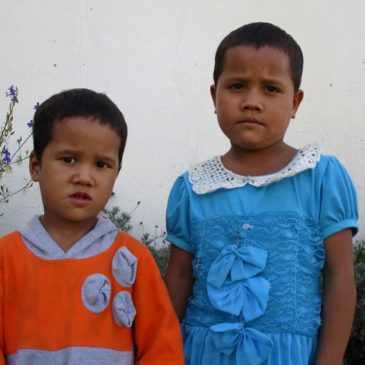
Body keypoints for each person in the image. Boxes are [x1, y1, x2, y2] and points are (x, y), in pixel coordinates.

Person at [165, 22, 358, 365]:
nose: (252, 102)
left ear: (295, 101)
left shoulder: (322, 178)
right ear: (215, 96)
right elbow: (178, 277)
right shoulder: (192, 187)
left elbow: (340, 275)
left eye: (271, 89)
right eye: (237, 86)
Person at [0, 88, 184, 365]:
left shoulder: (133, 259)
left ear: (116, 174)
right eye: (69, 159)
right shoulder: (6, 258)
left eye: (101, 164)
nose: (84, 177)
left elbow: (162, 347)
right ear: (35, 166)